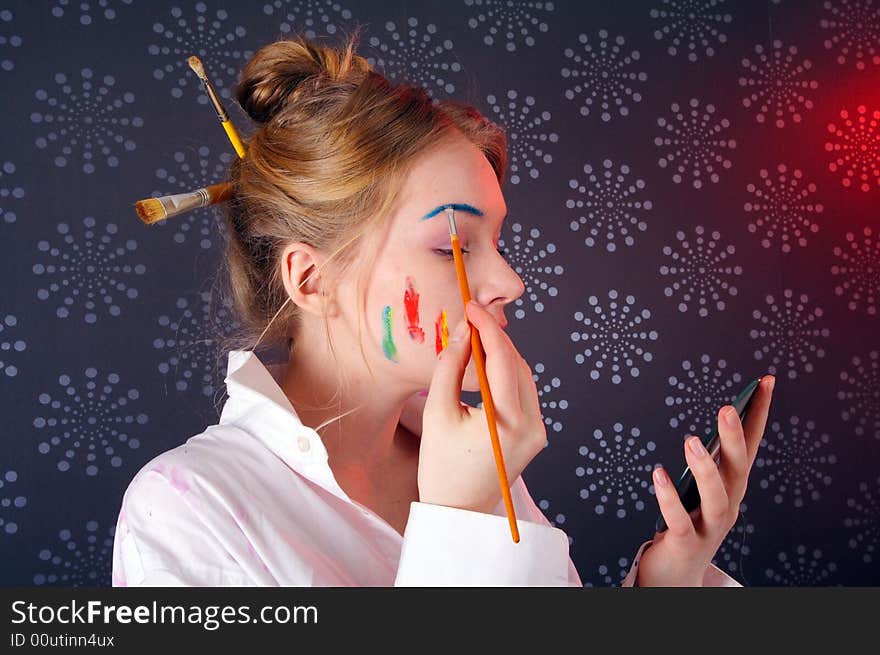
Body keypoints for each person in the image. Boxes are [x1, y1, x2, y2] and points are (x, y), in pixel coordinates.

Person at [111, 34, 775, 587]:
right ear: (312, 280)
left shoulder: (471, 456)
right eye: (453, 244)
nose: (510, 280)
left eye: (498, 239)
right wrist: (458, 520)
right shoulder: (186, 511)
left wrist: (666, 584)